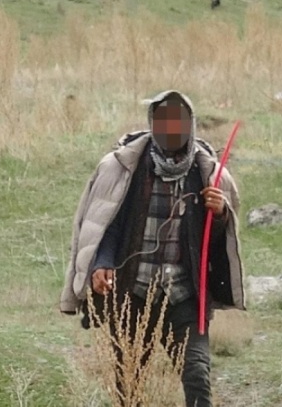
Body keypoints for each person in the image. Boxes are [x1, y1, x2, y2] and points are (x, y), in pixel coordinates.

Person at [59, 90, 244, 407]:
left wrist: (221, 213)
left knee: (197, 378)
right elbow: (107, 224)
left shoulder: (210, 176)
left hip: (185, 297)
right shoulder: (123, 169)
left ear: (191, 126)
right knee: (128, 385)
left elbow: (214, 247)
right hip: (134, 295)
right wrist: (101, 263)